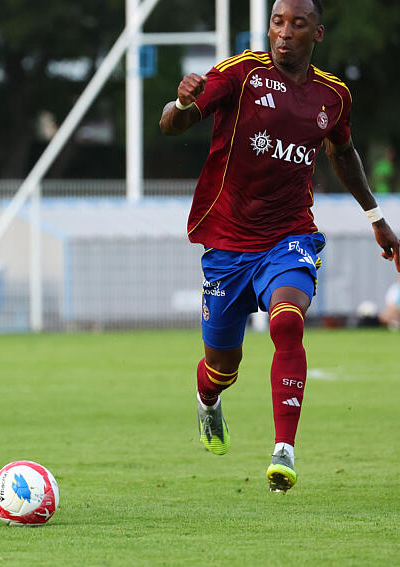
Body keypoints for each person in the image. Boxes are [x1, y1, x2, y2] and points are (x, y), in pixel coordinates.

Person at [159, 0, 400, 492]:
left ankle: (283, 450)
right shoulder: (241, 73)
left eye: (297, 24)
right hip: (227, 244)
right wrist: (183, 103)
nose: (284, 32)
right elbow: (172, 125)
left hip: (290, 235)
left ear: (318, 33)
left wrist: (376, 218)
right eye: (277, 22)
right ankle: (208, 402)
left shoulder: (333, 96)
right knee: (222, 368)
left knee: (287, 320)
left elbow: (344, 153)